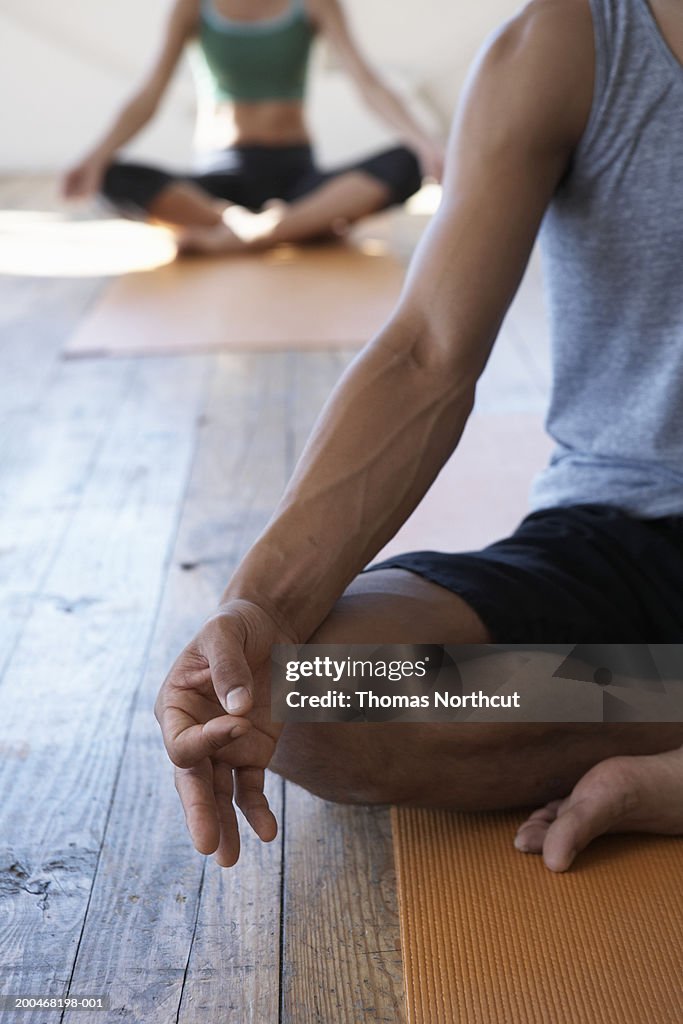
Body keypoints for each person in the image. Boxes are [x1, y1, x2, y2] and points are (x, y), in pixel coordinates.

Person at [155, 0, 683, 872]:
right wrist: (261, 610)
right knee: (308, 694)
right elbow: (426, 355)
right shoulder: (568, 41)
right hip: (620, 533)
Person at [62, 0, 444, 252]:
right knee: (111, 178)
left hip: (297, 178)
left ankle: (254, 235)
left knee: (409, 162)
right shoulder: (193, 7)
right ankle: (293, 228)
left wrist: (424, 143)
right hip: (218, 185)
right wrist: (97, 156)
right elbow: (150, 93)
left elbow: (368, 83)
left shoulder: (313, 4)